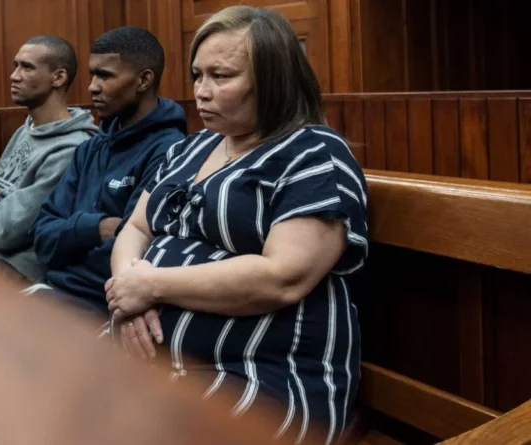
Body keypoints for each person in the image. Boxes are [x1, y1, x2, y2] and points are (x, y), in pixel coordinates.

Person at [105, 6, 368, 444]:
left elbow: (282, 278)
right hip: (158, 360)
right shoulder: (189, 149)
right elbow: (135, 228)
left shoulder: (314, 155)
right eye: (197, 75)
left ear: (273, 80)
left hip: (263, 374)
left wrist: (151, 286)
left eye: (221, 77)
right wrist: (128, 288)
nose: (201, 92)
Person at [31, 26, 188, 315]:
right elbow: (42, 238)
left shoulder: (171, 152)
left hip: (102, 308)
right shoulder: (90, 148)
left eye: (105, 75)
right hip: (51, 291)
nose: (92, 86)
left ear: (143, 80)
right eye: (92, 74)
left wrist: (70, 239)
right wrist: (95, 228)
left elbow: (131, 253)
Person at [0, 36, 98, 283]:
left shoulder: (71, 148)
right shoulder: (27, 129)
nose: (14, 76)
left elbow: (6, 230)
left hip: (16, 274)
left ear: (58, 78)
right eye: (16, 65)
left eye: (27, 67)